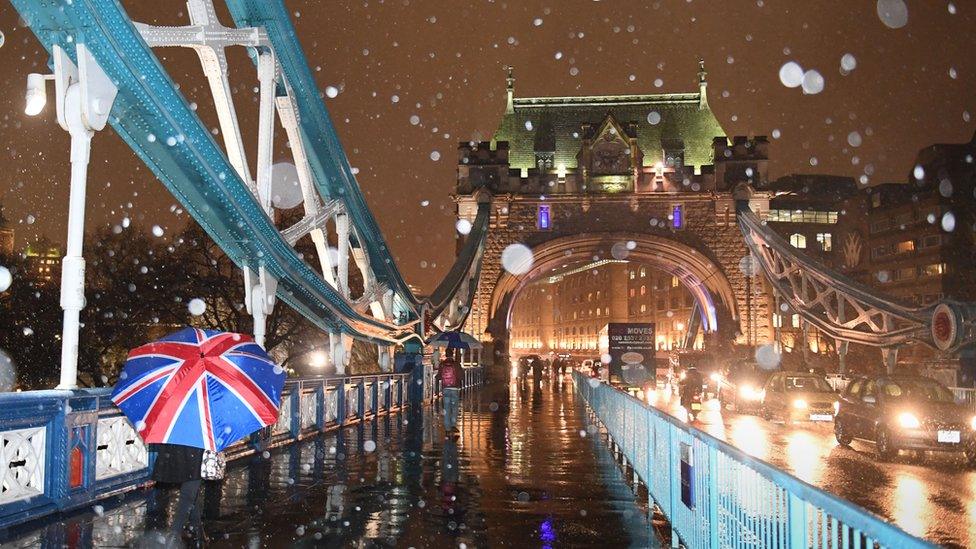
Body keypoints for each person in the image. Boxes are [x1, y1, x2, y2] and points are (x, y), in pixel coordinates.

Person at [150, 442, 222, 545]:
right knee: (188, 494)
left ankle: (197, 529)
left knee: (191, 493)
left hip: (183, 452)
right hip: (196, 454)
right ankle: (175, 533)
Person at [437, 348, 462, 435]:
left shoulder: (442, 364)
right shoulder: (456, 364)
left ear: (446, 354)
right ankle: (453, 425)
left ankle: (447, 429)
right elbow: (461, 376)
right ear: (452, 354)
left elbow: (438, 376)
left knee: (446, 409)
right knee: (454, 408)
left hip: (445, 389)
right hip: (454, 388)